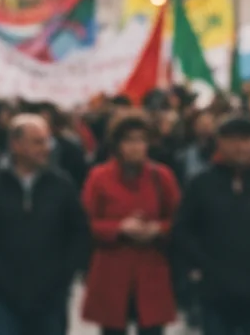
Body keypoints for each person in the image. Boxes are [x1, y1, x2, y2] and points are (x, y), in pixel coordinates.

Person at [173, 115, 250, 335]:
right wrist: (199, 265)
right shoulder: (201, 183)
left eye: (246, 139)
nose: (239, 146)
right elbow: (184, 229)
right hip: (216, 290)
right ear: (219, 142)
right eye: (232, 139)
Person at [0, 114, 90, 335]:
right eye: (37, 142)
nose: (45, 148)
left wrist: (64, 274)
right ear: (16, 144)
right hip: (0, 295)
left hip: (50, 295)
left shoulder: (61, 185)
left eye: (46, 141)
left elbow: (78, 232)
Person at [80, 114, 180, 335]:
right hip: (112, 272)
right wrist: (118, 228)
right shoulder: (99, 177)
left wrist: (157, 229)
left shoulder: (161, 176)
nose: (136, 147)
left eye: (141, 140)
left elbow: (180, 221)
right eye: (129, 140)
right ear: (117, 145)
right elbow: (84, 223)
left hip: (151, 271)